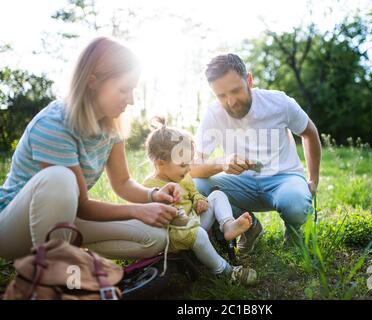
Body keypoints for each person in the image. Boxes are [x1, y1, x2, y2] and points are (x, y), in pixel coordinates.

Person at [0, 37, 182, 260]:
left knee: (156, 237)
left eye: (133, 89)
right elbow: (83, 205)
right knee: (60, 178)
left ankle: (67, 252)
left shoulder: (111, 126)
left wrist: (153, 195)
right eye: (124, 89)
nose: (132, 100)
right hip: (13, 230)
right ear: (93, 81)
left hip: (65, 220)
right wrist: (137, 210)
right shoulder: (53, 124)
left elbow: (123, 183)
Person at [191, 53, 322, 253]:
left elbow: (309, 133)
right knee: (198, 186)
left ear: (249, 80)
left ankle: (294, 231)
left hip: (283, 178)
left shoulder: (279, 102)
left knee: (295, 203)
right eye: (222, 95)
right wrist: (221, 163)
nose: (231, 101)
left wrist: (313, 180)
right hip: (241, 184)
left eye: (236, 90)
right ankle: (249, 227)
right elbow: (193, 167)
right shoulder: (213, 114)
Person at [142, 117, 256, 284]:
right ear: (160, 164)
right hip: (176, 234)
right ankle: (225, 270)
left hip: (194, 222)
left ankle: (228, 225)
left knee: (217, 196)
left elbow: (194, 192)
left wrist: (199, 200)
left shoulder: (184, 176)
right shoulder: (150, 186)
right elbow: (152, 218)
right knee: (200, 234)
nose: (189, 169)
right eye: (183, 165)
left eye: (189, 163)